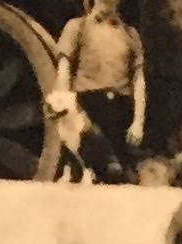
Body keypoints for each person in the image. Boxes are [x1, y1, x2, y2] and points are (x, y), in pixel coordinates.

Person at [48, 0, 145, 182]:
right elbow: (64, 68)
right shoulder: (77, 27)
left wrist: (138, 121)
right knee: (86, 170)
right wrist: (64, 104)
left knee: (117, 176)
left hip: (118, 114)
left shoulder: (130, 34)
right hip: (88, 109)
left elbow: (138, 80)